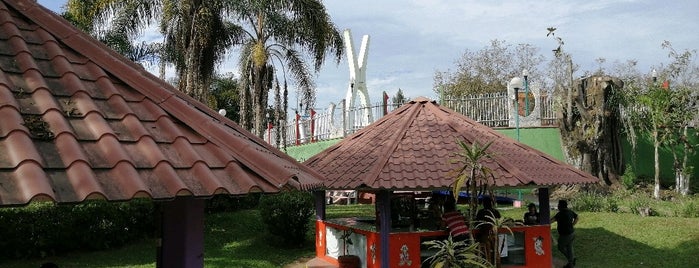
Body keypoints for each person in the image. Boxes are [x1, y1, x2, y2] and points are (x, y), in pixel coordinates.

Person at [551, 200, 579, 268]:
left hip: (565, 235)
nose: (557, 206)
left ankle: (571, 260)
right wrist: (572, 225)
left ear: (561, 206)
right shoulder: (570, 211)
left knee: (560, 247)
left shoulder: (560, 214)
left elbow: (551, 221)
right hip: (572, 233)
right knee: (569, 247)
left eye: (558, 205)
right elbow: (577, 217)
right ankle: (571, 262)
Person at [475, 196, 501, 261]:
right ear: (491, 203)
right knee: (496, 253)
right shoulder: (495, 211)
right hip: (494, 234)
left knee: (488, 255)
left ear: (483, 203)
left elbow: (476, 224)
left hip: (485, 235)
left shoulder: (481, 212)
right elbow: (499, 222)